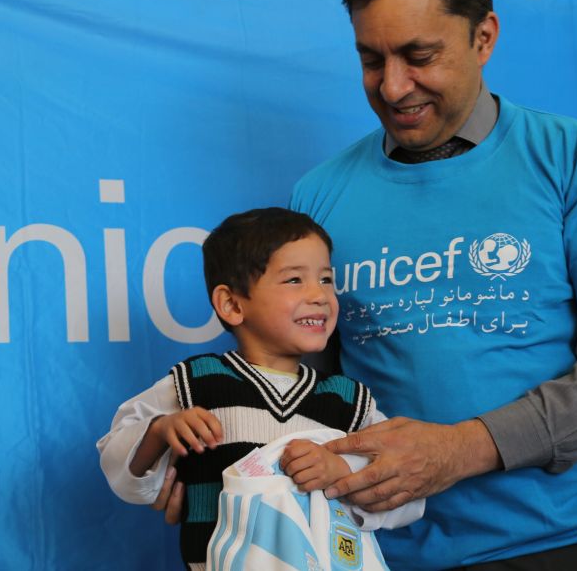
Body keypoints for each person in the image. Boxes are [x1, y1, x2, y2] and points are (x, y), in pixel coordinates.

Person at [284, 0, 577, 569]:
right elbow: (304, 387)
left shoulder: (574, 159)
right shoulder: (318, 196)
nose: (392, 86)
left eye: (420, 56)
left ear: (483, 35)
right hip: (385, 554)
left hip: (570, 546)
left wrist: (465, 448)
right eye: (371, 59)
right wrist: (226, 456)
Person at [97, 208, 423, 570]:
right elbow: (121, 465)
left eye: (327, 279)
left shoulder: (351, 402)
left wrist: (341, 469)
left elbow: (405, 495)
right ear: (233, 304)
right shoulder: (198, 383)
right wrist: (159, 432)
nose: (319, 295)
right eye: (295, 280)